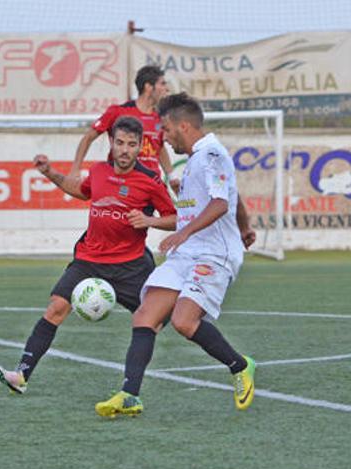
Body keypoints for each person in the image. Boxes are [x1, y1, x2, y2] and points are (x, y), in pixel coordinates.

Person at [95, 92, 257, 417]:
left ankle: (240, 366)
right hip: (187, 253)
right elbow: (224, 198)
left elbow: (220, 203)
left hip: (212, 255)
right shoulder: (197, 159)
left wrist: (184, 232)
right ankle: (130, 395)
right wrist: (243, 226)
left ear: (183, 126)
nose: (163, 138)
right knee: (144, 316)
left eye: (166, 131)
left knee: (184, 322)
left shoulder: (211, 154)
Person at [0, 116, 177, 394]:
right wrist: (50, 173)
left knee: (160, 320)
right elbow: (81, 191)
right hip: (89, 259)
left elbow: (176, 218)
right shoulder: (100, 170)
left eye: (131, 144)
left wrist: (149, 221)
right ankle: (21, 375)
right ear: (111, 143)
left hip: (130, 265)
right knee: (56, 308)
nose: (125, 150)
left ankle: (135, 387)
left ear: (141, 146)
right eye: (119, 143)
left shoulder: (150, 180)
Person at [69, 65, 178, 191]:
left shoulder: (160, 117)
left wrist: (171, 176)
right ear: (148, 87)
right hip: (122, 183)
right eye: (162, 84)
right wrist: (75, 169)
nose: (166, 88)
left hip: (150, 184)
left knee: (167, 210)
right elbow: (88, 138)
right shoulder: (119, 111)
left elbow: (158, 147)